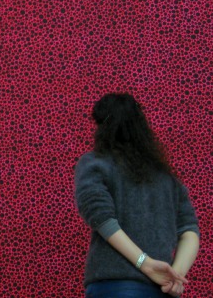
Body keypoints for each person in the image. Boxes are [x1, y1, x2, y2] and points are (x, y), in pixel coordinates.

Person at [74, 92, 200, 298]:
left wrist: (145, 263)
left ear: (103, 128)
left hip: (114, 286)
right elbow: (189, 230)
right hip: (163, 289)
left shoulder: (94, 163)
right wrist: (175, 276)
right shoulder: (166, 178)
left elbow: (102, 219)